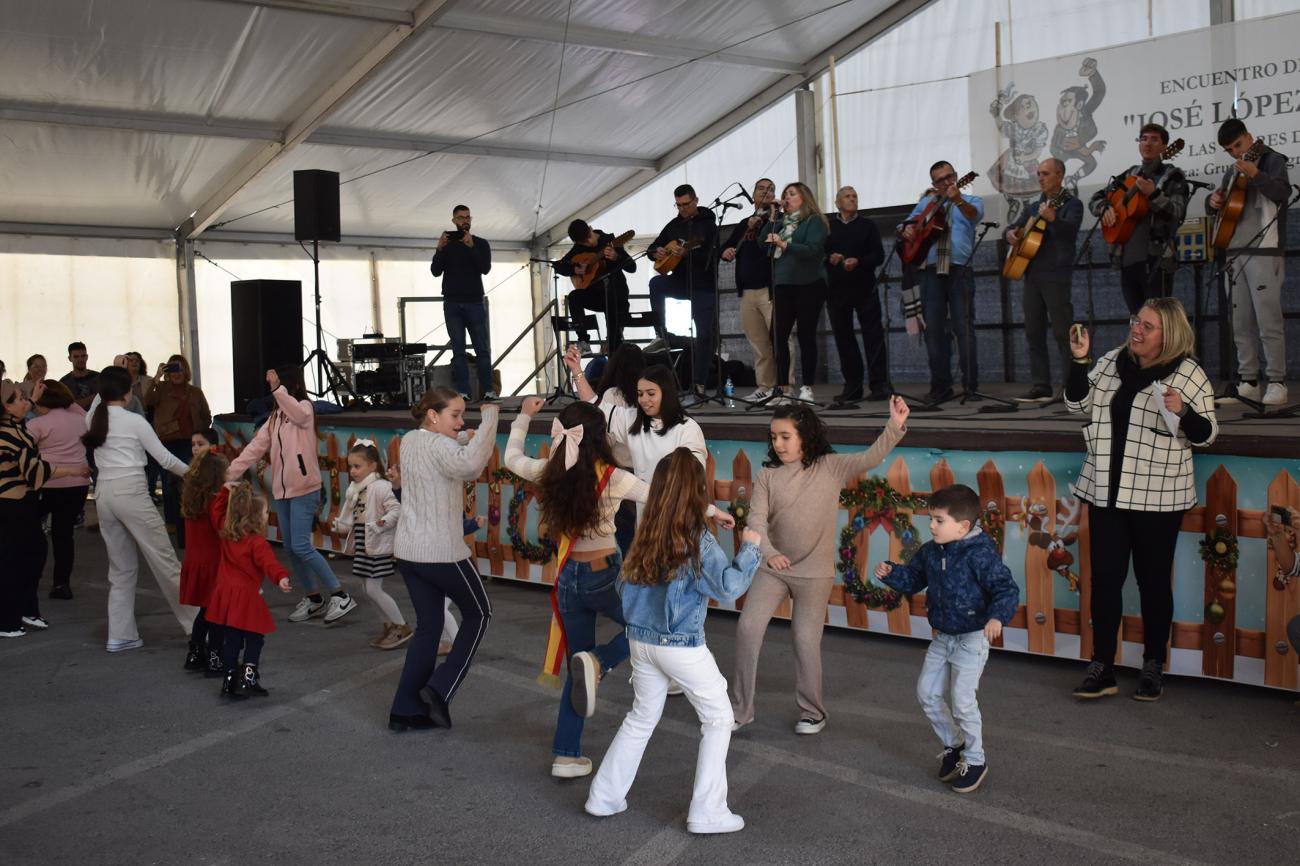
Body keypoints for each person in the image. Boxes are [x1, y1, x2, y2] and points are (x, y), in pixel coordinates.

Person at [585, 448, 763, 834]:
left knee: (641, 716)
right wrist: (750, 548)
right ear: (699, 491)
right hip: (680, 644)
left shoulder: (648, 532)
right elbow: (729, 587)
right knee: (718, 717)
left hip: (640, 641)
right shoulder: (697, 539)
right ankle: (707, 812)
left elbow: (622, 584)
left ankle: (604, 796)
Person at [1066, 298, 1217, 702]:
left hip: (1158, 498)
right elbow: (1076, 402)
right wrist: (1080, 362)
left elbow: (1206, 434)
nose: (1137, 330)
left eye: (1148, 326)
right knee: (1106, 581)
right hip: (1106, 491)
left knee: (1152, 583)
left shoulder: (1189, 374)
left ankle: (1152, 665)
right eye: (1137, 321)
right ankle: (1103, 665)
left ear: (1168, 335)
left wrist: (1183, 411)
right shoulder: (1114, 360)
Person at [732, 397, 908, 734]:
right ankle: (740, 710)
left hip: (814, 574)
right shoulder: (768, 474)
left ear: (805, 436)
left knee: (804, 639)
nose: (778, 444)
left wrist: (895, 426)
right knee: (748, 628)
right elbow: (755, 519)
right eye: (773, 437)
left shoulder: (830, 466)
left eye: (786, 436)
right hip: (773, 568)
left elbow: (870, 457)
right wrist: (768, 553)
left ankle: (813, 712)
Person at [505, 397, 653, 778]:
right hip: (604, 574)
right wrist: (711, 511)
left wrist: (523, 415)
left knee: (577, 665)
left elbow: (511, 458)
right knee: (647, 627)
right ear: (600, 437)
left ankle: (566, 755)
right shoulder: (613, 476)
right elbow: (664, 496)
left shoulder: (548, 471)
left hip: (567, 577)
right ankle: (601, 662)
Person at [876, 483, 1020, 795]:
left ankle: (976, 759)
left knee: (963, 702)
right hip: (943, 636)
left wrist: (997, 617)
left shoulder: (980, 554)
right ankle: (953, 744)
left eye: (939, 520)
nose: (931, 525)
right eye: (931, 519)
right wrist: (892, 573)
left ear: (963, 525)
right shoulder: (931, 550)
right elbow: (915, 579)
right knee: (926, 693)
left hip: (972, 638)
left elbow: (1006, 589)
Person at [389, 388, 499, 731]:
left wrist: (468, 433)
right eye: (455, 414)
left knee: (429, 627)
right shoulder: (441, 447)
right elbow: (469, 464)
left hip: (409, 551)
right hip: (441, 552)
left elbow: (454, 445)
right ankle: (440, 688)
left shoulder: (410, 440)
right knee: (480, 613)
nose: (461, 420)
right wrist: (491, 418)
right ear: (433, 416)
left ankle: (404, 710)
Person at [226, 366, 356, 625]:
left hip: (305, 489)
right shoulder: (274, 418)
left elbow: (294, 411)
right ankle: (313, 597)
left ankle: (340, 594)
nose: (274, 392)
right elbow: (255, 448)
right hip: (283, 492)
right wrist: (230, 473)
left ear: (289, 387)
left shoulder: (304, 409)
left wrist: (277, 390)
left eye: (279, 387)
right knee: (291, 548)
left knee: (301, 546)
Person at [82, 367, 196, 651]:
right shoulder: (134, 421)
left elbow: (98, 402)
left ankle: (120, 635)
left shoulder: (93, 418)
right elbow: (166, 460)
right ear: (128, 391)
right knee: (165, 562)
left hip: (104, 495)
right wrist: (197, 474)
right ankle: (198, 626)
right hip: (131, 492)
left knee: (120, 570)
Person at [1206, 117, 1291, 406]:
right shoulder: (1232, 171)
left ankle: (1277, 381)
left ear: (1250, 137)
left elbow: (1283, 193)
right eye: (1229, 150)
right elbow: (1224, 205)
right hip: (1233, 250)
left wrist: (1257, 174)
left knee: (1268, 320)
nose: (1235, 153)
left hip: (1264, 249)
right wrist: (1213, 201)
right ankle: (1249, 380)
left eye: (1238, 145)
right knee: (1239, 321)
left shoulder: (1272, 160)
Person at [0, 380, 90, 638]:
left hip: (21, 502)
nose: (26, 402)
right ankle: (7, 620)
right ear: (6, 407)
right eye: (20, 399)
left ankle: (26, 610)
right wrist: (73, 470)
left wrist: (34, 397)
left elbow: (27, 434)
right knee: (15, 560)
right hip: (11, 504)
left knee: (33, 553)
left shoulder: (16, 427)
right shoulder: (9, 433)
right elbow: (34, 470)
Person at [901, 161, 985, 404]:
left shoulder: (972, 201)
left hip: (959, 269)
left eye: (950, 177)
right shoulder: (925, 205)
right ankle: (940, 387)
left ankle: (971, 387)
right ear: (934, 185)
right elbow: (904, 225)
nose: (947, 182)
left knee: (963, 328)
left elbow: (974, 216)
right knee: (934, 332)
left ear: (958, 177)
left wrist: (958, 199)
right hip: (929, 271)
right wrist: (906, 231)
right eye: (941, 180)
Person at [1089, 122, 1189, 315]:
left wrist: (1154, 195)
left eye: (1154, 139)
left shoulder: (1174, 176)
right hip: (1126, 260)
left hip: (1156, 261)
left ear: (1165, 147)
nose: (1147, 144)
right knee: (1136, 322)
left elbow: (1177, 215)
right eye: (1144, 139)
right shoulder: (1130, 174)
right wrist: (1105, 208)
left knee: (1159, 322)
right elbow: (1095, 198)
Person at [1004, 157, 1082, 403]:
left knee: (1062, 332)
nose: (1040, 178)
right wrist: (1011, 234)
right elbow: (1014, 227)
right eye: (1039, 174)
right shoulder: (1032, 207)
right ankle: (1041, 384)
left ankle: (1072, 386)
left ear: (1059, 175)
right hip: (1032, 275)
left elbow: (1070, 232)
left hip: (1056, 274)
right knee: (1033, 331)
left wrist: (1053, 219)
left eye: (1046, 174)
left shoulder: (1072, 204)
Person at [207, 482, 293, 699]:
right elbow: (269, 563)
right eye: (265, 511)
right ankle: (249, 677)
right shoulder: (257, 543)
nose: (267, 514)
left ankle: (228, 680)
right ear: (255, 515)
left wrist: (225, 491)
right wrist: (281, 577)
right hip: (245, 597)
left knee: (232, 639)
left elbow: (214, 513)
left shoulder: (227, 535)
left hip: (225, 594)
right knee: (255, 638)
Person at [564, 342, 645, 554]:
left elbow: (604, 434)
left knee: (623, 538)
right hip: (643, 473)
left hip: (618, 475)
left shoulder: (613, 395)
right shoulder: (646, 396)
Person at [331, 440, 411, 651]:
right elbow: (352, 513)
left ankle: (401, 626)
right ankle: (389, 625)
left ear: (373, 466)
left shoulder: (382, 487)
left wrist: (378, 525)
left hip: (377, 544)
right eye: (350, 466)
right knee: (368, 589)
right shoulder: (357, 488)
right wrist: (342, 524)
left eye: (357, 466)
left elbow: (396, 510)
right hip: (364, 542)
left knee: (374, 589)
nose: (352, 471)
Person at [646, 184, 719, 402]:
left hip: (703, 285)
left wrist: (688, 253)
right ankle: (662, 333)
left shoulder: (708, 224)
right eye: (678, 205)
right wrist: (655, 251)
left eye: (686, 204)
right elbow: (653, 247)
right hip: (679, 281)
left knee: (705, 334)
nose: (682, 209)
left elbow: (708, 255)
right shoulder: (674, 225)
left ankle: (699, 384)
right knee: (657, 284)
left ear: (696, 200)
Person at [720, 177, 791, 401]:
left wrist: (769, 219)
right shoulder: (744, 223)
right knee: (759, 343)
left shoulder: (781, 220)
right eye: (761, 189)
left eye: (770, 189)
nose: (766, 192)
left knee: (782, 339)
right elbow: (726, 248)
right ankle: (765, 386)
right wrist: (727, 251)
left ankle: (785, 387)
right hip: (748, 291)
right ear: (753, 195)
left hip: (772, 289)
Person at [28, 381, 91, 600]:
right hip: (77, 484)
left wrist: (32, 401)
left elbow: (21, 444)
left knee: (33, 531)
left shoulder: (37, 424)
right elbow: (79, 410)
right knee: (64, 534)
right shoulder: (81, 419)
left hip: (46, 483)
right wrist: (67, 399)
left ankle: (31, 579)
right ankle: (62, 584)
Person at [825, 185, 888, 403]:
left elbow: (879, 255)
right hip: (836, 290)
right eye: (847, 196)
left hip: (864, 287)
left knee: (874, 337)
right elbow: (819, 255)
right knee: (844, 339)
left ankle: (880, 385)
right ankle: (852, 387)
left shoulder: (868, 226)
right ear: (837, 203)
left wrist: (859, 261)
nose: (852, 199)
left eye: (855, 196)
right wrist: (830, 259)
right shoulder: (828, 227)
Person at [145, 355, 212, 547]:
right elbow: (147, 400)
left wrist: (200, 430)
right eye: (172, 369)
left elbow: (206, 414)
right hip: (168, 441)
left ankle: (191, 517)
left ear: (186, 371)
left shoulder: (195, 392)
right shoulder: (162, 389)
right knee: (168, 482)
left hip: (190, 442)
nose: (177, 374)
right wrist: (157, 377)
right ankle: (172, 521)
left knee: (190, 479)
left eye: (180, 369)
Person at [431, 204, 496, 401]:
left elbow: (485, 268)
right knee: (458, 350)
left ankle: (488, 390)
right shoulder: (447, 245)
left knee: (482, 349)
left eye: (467, 217)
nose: (464, 221)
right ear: (453, 221)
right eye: (460, 218)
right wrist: (439, 249)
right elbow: (435, 271)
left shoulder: (481, 243)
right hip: (452, 303)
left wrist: (472, 247)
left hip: (474, 302)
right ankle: (463, 392)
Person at [180, 449, 229, 674]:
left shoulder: (192, 501)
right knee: (218, 614)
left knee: (205, 611)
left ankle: (196, 652)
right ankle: (216, 657)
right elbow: (223, 530)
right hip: (214, 565)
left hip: (196, 563)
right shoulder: (216, 502)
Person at [554, 219, 635, 353]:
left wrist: (616, 257)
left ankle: (612, 341)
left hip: (616, 297)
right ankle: (584, 340)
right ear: (578, 243)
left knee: (611, 292)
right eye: (584, 242)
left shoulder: (610, 241)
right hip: (596, 296)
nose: (589, 243)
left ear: (591, 228)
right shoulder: (578, 249)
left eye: (589, 238)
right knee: (574, 297)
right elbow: (558, 266)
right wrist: (574, 270)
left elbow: (632, 267)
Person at [60, 342, 99, 411]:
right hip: (72, 420)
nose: (80, 360)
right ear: (69, 358)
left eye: (83, 356)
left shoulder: (99, 378)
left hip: (97, 420)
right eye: (76, 357)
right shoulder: (64, 383)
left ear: (87, 357)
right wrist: (95, 396)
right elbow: (66, 407)